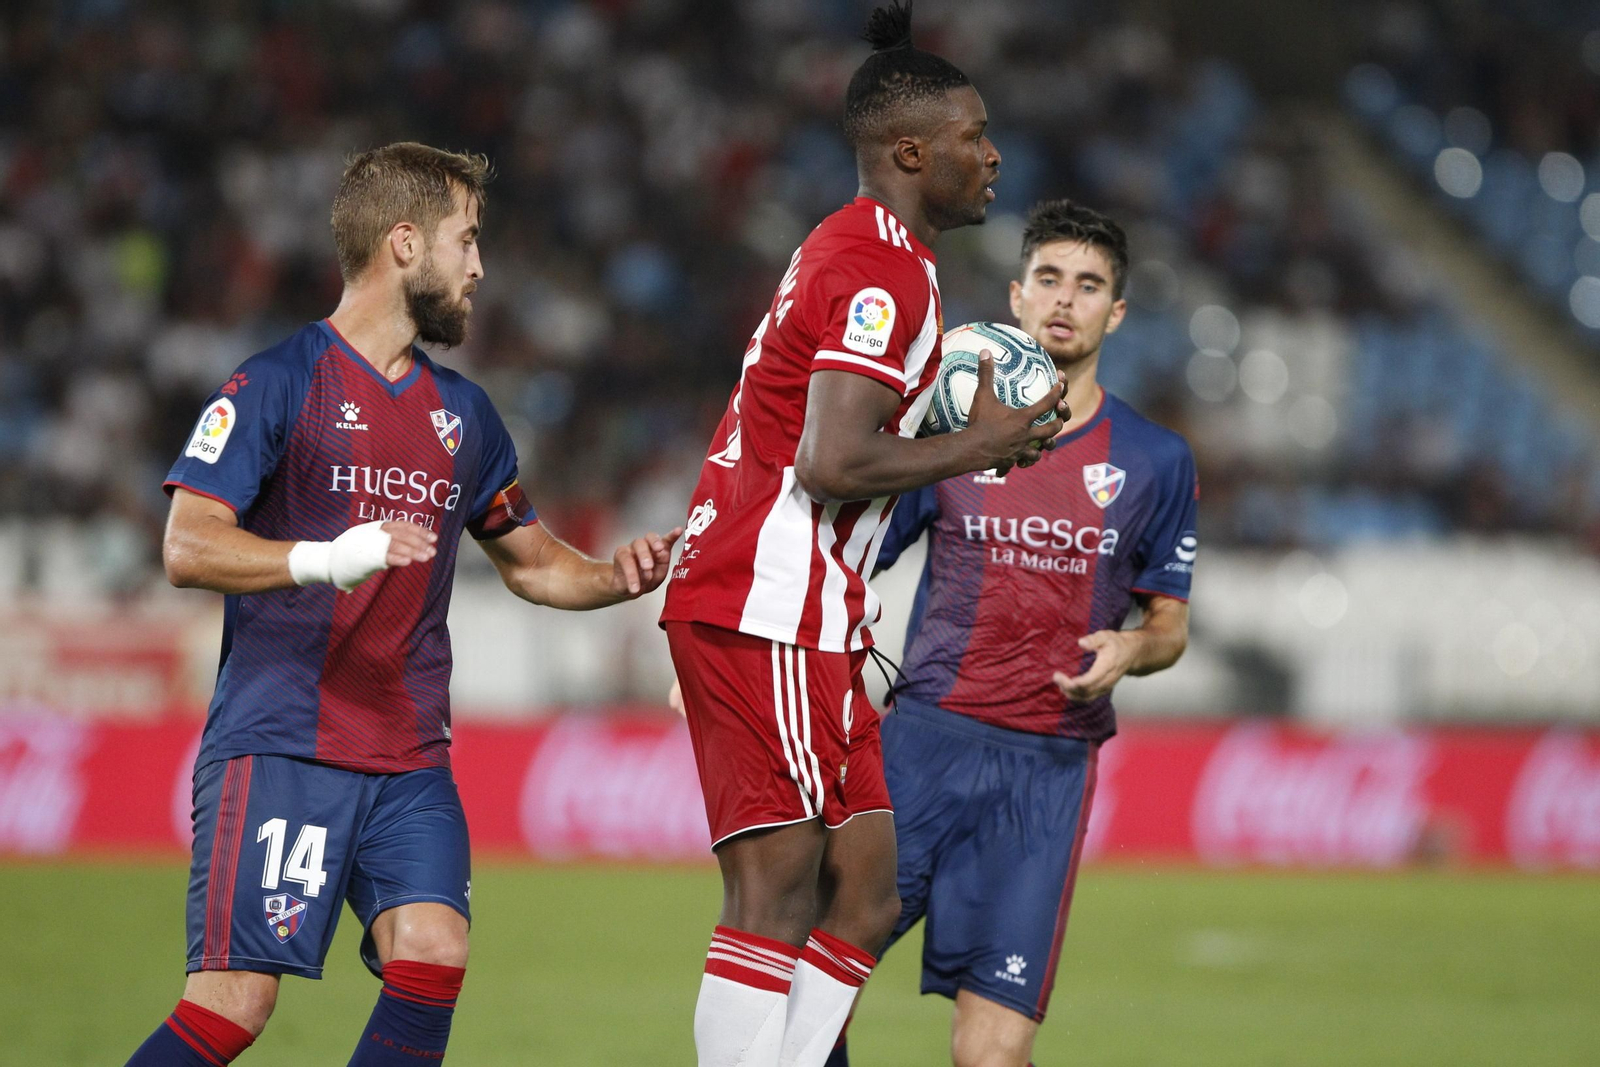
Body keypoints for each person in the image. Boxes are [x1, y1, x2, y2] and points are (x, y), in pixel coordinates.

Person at [124, 142, 680, 1067]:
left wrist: (611, 573)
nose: (480, 266)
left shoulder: (465, 415)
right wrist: (325, 557)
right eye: (467, 241)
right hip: (283, 742)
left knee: (433, 950)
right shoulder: (276, 382)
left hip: (408, 750)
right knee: (233, 1004)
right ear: (404, 244)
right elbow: (187, 544)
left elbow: (533, 563)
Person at [658, 4, 1068, 1066]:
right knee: (777, 886)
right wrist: (977, 445)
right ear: (911, 150)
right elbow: (829, 460)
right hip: (768, 591)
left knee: (869, 891)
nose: (992, 156)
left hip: (804, 605)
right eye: (974, 137)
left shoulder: (878, 255)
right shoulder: (878, 266)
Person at [826, 198, 1198, 1067]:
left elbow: (1170, 625)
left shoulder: (1155, 460)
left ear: (1118, 312)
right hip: (921, 746)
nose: (1066, 299)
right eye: (1049, 279)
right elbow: (854, 556)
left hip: (1046, 772)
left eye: (1090, 285)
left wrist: (1132, 649)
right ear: (1016, 297)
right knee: (815, 989)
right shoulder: (949, 438)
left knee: (991, 1054)